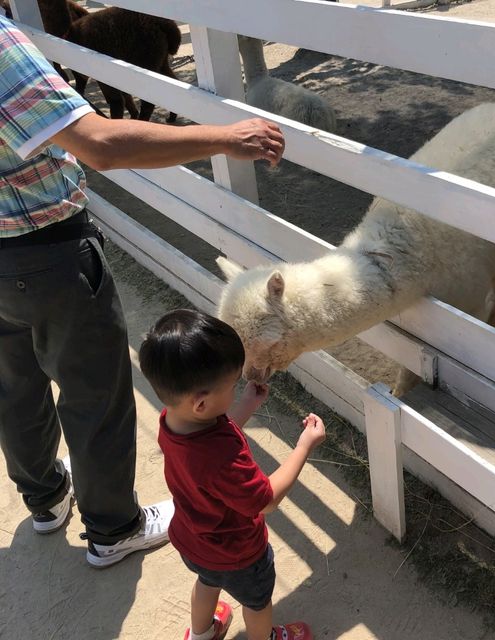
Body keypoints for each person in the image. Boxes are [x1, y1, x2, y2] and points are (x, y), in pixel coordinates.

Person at [0, 12, 285, 568]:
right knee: (95, 395)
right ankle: (113, 529)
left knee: (14, 384)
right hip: (46, 248)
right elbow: (97, 143)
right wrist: (226, 137)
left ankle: (45, 498)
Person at [139, 309, 325, 640]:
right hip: (238, 553)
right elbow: (265, 500)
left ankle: (202, 633)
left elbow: (211, 439)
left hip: (192, 539)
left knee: (207, 582)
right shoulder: (222, 458)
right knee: (256, 602)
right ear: (201, 404)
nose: (238, 387)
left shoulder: (172, 421)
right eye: (232, 384)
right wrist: (304, 446)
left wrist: (246, 406)